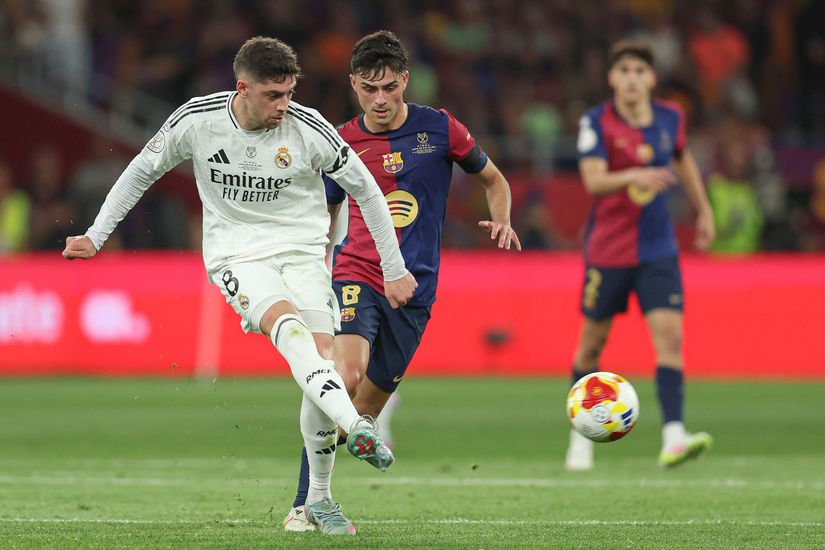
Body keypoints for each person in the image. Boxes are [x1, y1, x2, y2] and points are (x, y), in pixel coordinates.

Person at [61, 36, 418, 536]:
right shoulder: (197, 120)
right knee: (289, 331)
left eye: (289, 93)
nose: (283, 105)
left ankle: (316, 502)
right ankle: (358, 426)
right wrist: (96, 235)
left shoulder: (308, 127)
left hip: (304, 254)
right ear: (243, 88)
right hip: (238, 255)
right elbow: (142, 170)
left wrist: (393, 268)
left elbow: (368, 192)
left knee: (321, 362)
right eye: (273, 95)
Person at [283, 30, 521, 532]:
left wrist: (502, 218)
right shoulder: (341, 142)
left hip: (417, 289)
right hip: (357, 272)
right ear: (353, 84)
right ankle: (304, 506)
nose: (380, 99)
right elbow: (326, 211)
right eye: (369, 89)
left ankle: (336, 459)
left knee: (361, 413)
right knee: (344, 376)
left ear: (405, 81)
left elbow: (494, 179)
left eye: (389, 87)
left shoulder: (441, 129)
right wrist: (313, 265)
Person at [565, 39, 716, 471]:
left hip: (657, 250)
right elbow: (593, 181)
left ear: (652, 78)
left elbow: (682, 161)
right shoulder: (596, 121)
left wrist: (703, 209)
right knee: (591, 346)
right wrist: (636, 173)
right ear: (612, 78)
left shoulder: (671, 117)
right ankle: (580, 438)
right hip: (609, 251)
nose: (631, 78)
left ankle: (674, 437)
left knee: (670, 339)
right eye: (624, 70)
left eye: (639, 71)